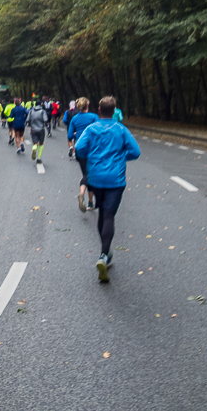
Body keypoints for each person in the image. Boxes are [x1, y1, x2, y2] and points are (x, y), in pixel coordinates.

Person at [76, 96, 141, 283]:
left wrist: (93, 156)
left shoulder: (91, 128)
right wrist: (120, 157)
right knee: (109, 215)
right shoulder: (121, 129)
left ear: (98, 109)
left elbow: (80, 149)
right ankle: (104, 254)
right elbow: (135, 152)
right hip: (116, 179)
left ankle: (105, 254)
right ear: (114, 112)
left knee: (101, 211)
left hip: (96, 178)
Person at [68, 97, 100, 211]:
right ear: (88, 105)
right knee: (90, 175)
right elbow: (99, 132)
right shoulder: (94, 117)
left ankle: (89, 201)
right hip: (92, 150)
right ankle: (85, 196)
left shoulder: (74, 119)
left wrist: (77, 134)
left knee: (86, 174)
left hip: (80, 150)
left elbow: (70, 135)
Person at [27, 99, 50, 164]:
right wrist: (45, 125)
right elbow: (45, 120)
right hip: (41, 129)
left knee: (35, 143)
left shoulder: (31, 111)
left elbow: (27, 120)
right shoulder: (43, 111)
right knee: (41, 143)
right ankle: (39, 158)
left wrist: (30, 125)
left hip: (33, 129)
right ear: (40, 104)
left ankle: (34, 148)